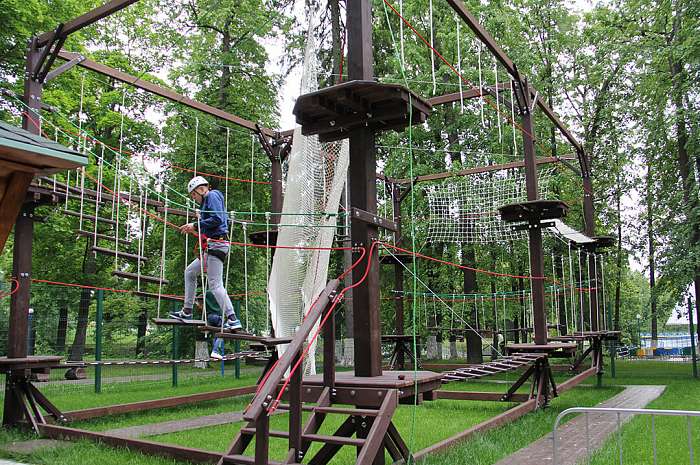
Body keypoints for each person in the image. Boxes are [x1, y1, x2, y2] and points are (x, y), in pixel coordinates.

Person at [170, 176, 242, 331]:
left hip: (217, 244)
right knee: (190, 272)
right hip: (212, 245)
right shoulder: (207, 202)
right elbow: (214, 222)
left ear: (201, 189)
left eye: (194, 195)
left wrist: (195, 225)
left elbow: (218, 219)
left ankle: (233, 318)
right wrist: (196, 226)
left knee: (215, 284)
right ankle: (187, 310)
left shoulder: (213, 196)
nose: (194, 198)